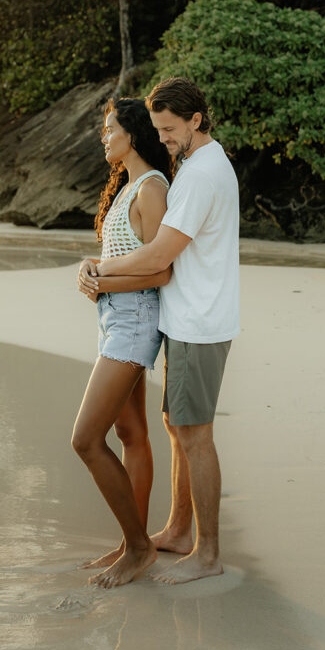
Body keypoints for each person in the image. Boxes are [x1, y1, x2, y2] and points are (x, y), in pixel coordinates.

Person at [80, 77, 240, 585]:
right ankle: (174, 529)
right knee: (176, 432)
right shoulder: (195, 167)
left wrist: (99, 271)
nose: (164, 138)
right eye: (158, 129)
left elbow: (160, 258)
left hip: (198, 320)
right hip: (184, 317)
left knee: (195, 437)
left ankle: (208, 552)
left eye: (170, 129)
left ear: (196, 120)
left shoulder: (199, 176)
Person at [72, 97, 173, 589]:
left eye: (109, 128)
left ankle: (139, 547)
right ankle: (131, 539)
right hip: (114, 318)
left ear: (132, 133)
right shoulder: (126, 187)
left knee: (86, 439)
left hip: (134, 321)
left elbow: (161, 269)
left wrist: (102, 282)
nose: (103, 135)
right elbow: (120, 255)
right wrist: (89, 270)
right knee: (130, 435)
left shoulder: (152, 187)